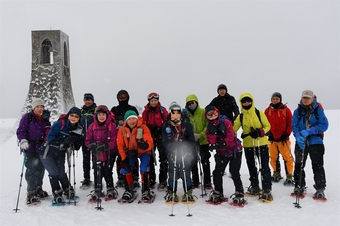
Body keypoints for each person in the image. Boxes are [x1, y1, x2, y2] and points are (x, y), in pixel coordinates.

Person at [233, 93, 273, 201]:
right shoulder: (241, 116)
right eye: (244, 101)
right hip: (248, 144)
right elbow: (233, 128)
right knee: (251, 166)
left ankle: (267, 188)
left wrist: (260, 132)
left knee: (264, 165)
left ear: (252, 101)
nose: (246, 103)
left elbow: (268, 126)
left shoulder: (258, 113)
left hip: (262, 143)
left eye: (248, 101)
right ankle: (255, 186)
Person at [39, 107, 83, 204]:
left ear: (79, 118)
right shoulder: (60, 124)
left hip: (60, 154)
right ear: (68, 116)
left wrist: (75, 141)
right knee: (54, 172)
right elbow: (50, 138)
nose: (73, 118)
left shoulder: (78, 129)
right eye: (72, 115)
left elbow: (76, 146)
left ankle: (67, 189)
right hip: (47, 152)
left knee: (62, 172)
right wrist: (63, 141)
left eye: (76, 116)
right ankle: (57, 192)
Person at [204, 106, 245, 205]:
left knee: (234, 171)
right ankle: (218, 192)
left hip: (235, 150)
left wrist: (223, 142)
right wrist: (213, 133)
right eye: (210, 115)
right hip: (222, 153)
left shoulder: (225, 122)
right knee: (217, 172)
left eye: (214, 113)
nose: (213, 116)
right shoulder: (209, 128)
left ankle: (240, 193)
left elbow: (231, 135)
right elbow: (211, 141)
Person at [291, 90, 328, 199]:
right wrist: (298, 136)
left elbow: (324, 125)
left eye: (308, 98)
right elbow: (294, 125)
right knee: (299, 164)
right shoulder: (297, 111)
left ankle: (320, 188)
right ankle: (299, 185)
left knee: (318, 166)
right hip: (301, 142)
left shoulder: (318, 110)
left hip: (316, 142)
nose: (306, 100)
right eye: (304, 98)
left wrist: (310, 131)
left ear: (313, 98)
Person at [16, 98, 51, 205]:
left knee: (41, 168)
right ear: (33, 108)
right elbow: (21, 130)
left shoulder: (45, 119)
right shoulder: (28, 117)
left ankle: (38, 188)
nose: (40, 109)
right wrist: (23, 140)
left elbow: (48, 132)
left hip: (41, 147)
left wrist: (47, 140)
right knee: (31, 168)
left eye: (41, 107)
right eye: (37, 107)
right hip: (30, 146)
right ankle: (31, 192)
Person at [162, 102, 196, 203]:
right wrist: (173, 147)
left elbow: (191, 140)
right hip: (173, 152)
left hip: (185, 152)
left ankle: (188, 191)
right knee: (173, 171)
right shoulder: (166, 125)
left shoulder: (187, 124)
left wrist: (185, 145)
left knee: (185, 171)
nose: (176, 116)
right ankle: (172, 191)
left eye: (178, 113)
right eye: (173, 113)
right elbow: (165, 141)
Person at [116, 110, 154, 202]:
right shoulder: (122, 130)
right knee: (125, 169)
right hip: (130, 152)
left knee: (144, 167)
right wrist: (124, 158)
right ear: (126, 120)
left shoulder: (143, 127)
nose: (132, 121)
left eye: (134, 118)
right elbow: (120, 145)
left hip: (143, 152)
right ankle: (129, 190)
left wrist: (145, 145)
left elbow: (150, 142)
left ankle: (146, 190)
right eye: (129, 119)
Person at [85, 105, 118, 201]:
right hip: (96, 152)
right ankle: (97, 188)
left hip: (109, 152)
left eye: (103, 114)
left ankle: (110, 188)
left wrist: (106, 146)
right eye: (99, 115)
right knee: (97, 170)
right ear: (96, 115)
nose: (101, 117)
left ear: (107, 115)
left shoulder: (112, 126)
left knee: (107, 170)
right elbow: (87, 140)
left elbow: (114, 140)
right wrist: (92, 144)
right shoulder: (92, 126)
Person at [111, 90, 140, 188]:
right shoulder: (114, 109)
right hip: (119, 137)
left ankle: (135, 178)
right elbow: (110, 122)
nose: (123, 98)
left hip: (132, 137)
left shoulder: (132, 108)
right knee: (120, 158)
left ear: (128, 97)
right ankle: (121, 177)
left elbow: (138, 122)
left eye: (124, 96)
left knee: (133, 157)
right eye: (121, 97)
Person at [264, 92, 294, 185]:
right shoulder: (267, 110)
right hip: (272, 139)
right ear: (271, 100)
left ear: (280, 100)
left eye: (277, 99)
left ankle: (289, 175)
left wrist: (287, 133)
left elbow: (290, 123)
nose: (275, 100)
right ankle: (276, 173)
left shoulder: (286, 110)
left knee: (287, 158)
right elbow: (264, 123)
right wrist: (268, 132)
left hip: (284, 139)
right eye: (274, 99)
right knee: (273, 158)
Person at [142, 92, 169, 189]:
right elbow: (143, 123)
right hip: (150, 137)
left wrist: (161, 128)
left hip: (161, 137)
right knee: (150, 159)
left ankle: (163, 179)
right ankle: (151, 179)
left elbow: (167, 121)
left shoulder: (162, 110)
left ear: (158, 100)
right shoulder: (146, 111)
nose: (153, 102)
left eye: (155, 100)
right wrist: (149, 129)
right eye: (152, 101)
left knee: (163, 158)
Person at [185, 94, 212, 190]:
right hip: (192, 142)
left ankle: (207, 182)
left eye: (192, 103)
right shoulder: (186, 114)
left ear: (196, 102)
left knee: (205, 161)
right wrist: (191, 136)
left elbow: (208, 125)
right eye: (189, 103)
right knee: (193, 161)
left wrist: (201, 134)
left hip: (203, 141)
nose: (191, 105)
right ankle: (195, 181)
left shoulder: (203, 112)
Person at [80, 93, 97, 188]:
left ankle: (97, 178)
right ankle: (86, 178)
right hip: (84, 139)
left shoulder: (96, 110)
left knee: (96, 160)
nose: (87, 101)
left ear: (92, 100)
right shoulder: (81, 111)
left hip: (95, 139)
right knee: (85, 160)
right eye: (86, 100)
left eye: (89, 99)